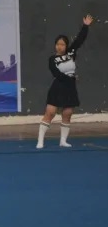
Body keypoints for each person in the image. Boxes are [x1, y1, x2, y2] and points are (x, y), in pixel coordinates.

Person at [37, 14, 93, 149]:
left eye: (62, 44)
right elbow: (56, 74)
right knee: (50, 112)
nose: (59, 47)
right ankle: (40, 141)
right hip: (58, 86)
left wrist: (85, 26)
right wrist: (71, 78)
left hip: (70, 88)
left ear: (66, 45)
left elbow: (79, 40)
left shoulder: (71, 53)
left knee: (67, 114)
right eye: (57, 44)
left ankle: (63, 141)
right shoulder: (52, 59)